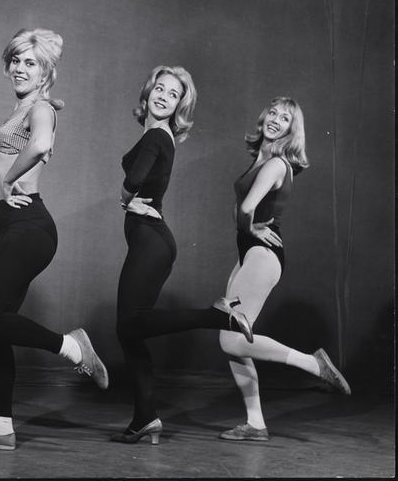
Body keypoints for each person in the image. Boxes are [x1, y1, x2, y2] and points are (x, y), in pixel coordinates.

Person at [0, 28, 108, 452]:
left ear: (45, 73)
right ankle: (1, 427)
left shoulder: (41, 109)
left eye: (30, 62)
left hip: (29, 227)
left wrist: (8, 181)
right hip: (13, 228)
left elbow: (39, 145)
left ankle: (72, 348)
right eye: (16, 60)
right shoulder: (20, 109)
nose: (20, 68)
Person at [112, 65, 255, 445]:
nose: (163, 96)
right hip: (153, 241)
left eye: (173, 94)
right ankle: (145, 418)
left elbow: (133, 180)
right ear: (148, 92)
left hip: (151, 241)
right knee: (130, 331)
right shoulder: (159, 136)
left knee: (130, 324)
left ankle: (218, 315)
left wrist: (124, 200)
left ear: (179, 106)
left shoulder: (157, 135)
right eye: (160, 88)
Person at [216, 97, 350, 442]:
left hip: (262, 255)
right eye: (273, 113)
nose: (276, 120)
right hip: (250, 253)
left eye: (285, 118)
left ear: (293, 130)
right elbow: (240, 209)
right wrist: (246, 226)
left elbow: (247, 208)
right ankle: (255, 423)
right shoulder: (260, 161)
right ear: (264, 117)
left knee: (230, 337)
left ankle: (312, 364)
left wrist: (249, 226)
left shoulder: (276, 164)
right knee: (232, 340)